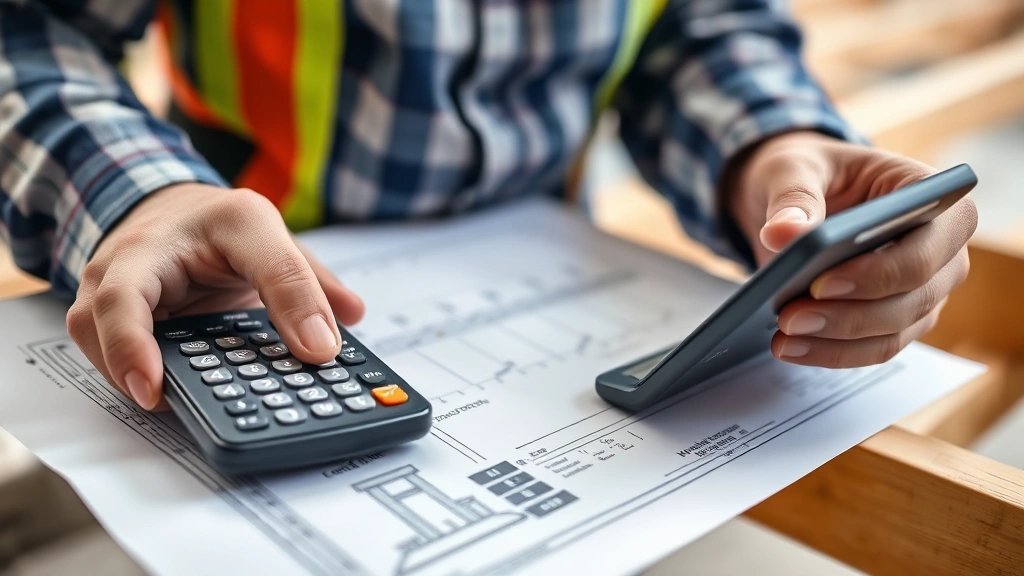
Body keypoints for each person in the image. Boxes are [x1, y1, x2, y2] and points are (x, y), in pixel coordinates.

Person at [0, 0, 976, 411]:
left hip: (559, 292)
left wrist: (766, 143)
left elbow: (692, 23)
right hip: (226, 300)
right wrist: (132, 192)